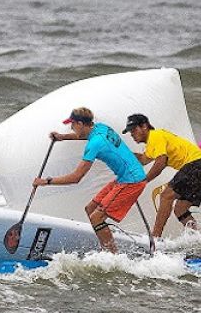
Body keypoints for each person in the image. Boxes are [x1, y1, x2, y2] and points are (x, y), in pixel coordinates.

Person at [32, 107, 146, 253]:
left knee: (97, 218)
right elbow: (84, 135)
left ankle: (112, 255)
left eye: (72, 125)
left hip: (132, 181)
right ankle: (107, 242)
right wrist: (62, 137)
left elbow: (76, 177)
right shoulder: (101, 128)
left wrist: (45, 182)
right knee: (90, 209)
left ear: (80, 123)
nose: (71, 128)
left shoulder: (94, 144)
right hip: (127, 177)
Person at [124, 113, 201, 238]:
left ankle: (155, 237)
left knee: (166, 196)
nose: (132, 134)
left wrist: (143, 181)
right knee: (180, 209)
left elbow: (161, 162)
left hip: (197, 164)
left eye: (134, 130)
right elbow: (142, 160)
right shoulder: (152, 145)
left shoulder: (155, 135)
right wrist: (121, 153)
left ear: (144, 126)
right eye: (130, 132)